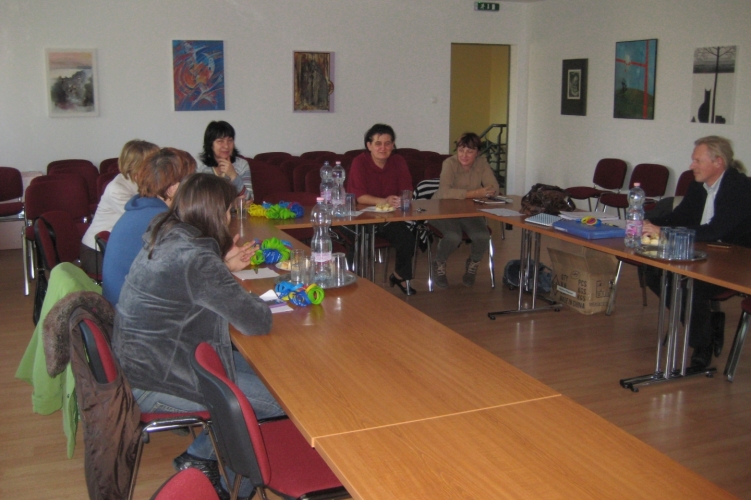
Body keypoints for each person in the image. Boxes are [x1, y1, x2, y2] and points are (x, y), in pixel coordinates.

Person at [111, 173, 281, 496]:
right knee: (282, 399)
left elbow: (188, 287)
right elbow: (256, 322)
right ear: (214, 214)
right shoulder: (196, 258)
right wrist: (242, 289)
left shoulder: (168, 236)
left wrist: (223, 268)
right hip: (156, 379)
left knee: (268, 372)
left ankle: (200, 455)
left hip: (149, 360)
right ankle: (233, 489)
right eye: (228, 211)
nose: (230, 218)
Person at [642, 136, 751, 370]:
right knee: (653, 273)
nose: (691, 166)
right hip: (704, 253)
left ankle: (703, 346)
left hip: (737, 261)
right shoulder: (697, 186)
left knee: (691, 286)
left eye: (697, 161)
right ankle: (707, 325)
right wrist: (646, 222)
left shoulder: (740, 188)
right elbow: (678, 218)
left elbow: (715, 230)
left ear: (718, 162)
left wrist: (664, 232)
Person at [101, 148, 195, 305]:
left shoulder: (140, 208)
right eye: (191, 182)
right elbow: (189, 278)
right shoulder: (162, 223)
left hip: (122, 306)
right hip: (133, 313)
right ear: (174, 189)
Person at [348, 123, 417, 295]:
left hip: (389, 215)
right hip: (362, 215)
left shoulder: (398, 161)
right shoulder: (359, 162)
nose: (383, 148)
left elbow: (407, 190)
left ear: (393, 145)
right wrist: (384, 201)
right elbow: (359, 196)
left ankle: (400, 276)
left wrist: (402, 200)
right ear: (369, 145)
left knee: (406, 238)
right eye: (378, 143)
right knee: (357, 242)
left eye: (388, 143)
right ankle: (351, 284)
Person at [79, 140, 159, 275]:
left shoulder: (145, 183)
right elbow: (142, 220)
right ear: (139, 165)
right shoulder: (118, 189)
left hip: (120, 247)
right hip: (98, 252)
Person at [430, 132, 499, 287]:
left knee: (482, 235)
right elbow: (444, 192)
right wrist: (476, 193)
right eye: (461, 150)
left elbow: (493, 187)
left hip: (469, 210)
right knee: (453, 236)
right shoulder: (449, 163)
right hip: (442, 209)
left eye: (469, 151)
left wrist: (486, 192)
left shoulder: (482, 163)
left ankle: (473, 263)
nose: (464, 155)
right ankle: (439, 263)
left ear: (477, 152)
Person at [197, 120, 253, 201]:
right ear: (210, 144)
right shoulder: (202, 169)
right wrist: (232, 203)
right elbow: (201, 201)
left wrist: (233, 175)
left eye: (230, 140)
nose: (226, 146)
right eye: (220, 141)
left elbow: (249, 199)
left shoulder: (241, 164)